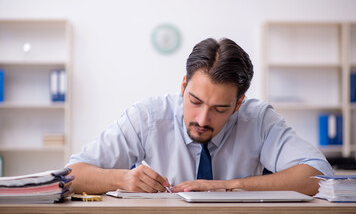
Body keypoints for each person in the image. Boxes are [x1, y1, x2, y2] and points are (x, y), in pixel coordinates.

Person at [67, 38, 333, 195]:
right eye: (195, 101)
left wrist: (228, 186)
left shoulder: (259, 119)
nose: (203, 119)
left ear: (239, 103)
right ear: (183, 87)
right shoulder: (148, 117)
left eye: (220, 109)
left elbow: (319, 175)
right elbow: (72, 174)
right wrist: (121, 179)